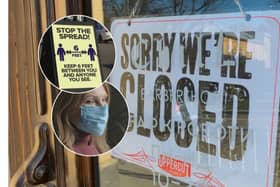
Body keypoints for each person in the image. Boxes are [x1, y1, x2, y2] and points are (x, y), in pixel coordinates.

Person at [53, 84, 111, 156]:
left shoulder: (101, 147)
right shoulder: (63, 154)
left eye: (104, 99)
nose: (103, 107)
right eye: (89, 101)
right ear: (68, 108)